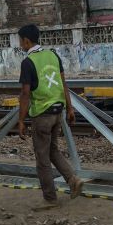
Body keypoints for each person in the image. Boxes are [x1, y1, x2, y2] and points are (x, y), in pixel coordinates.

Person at [16, 23, 84, 209]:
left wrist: (21, 120)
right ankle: (73, 180)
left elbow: (25, 93)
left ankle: (50, 198)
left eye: (20, 41)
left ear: (27, 41)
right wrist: (70, 109)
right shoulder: (53, 55)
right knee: (53, 150)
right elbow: (63, 84)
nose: (20, 45)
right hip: (57, 112)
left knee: (42, 158)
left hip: (41, 115)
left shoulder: (28, 62)